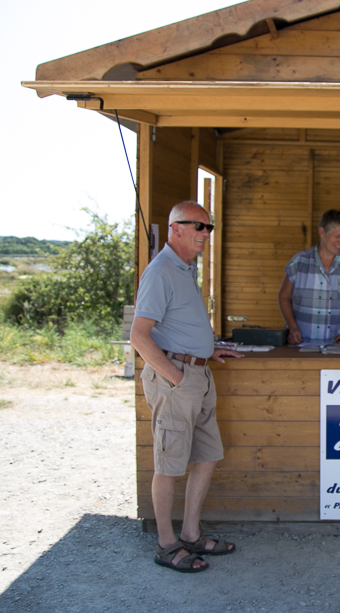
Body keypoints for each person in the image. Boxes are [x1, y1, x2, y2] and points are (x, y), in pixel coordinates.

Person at [130, 201, 244, 573]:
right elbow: (139, 336)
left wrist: (209, 348)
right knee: (169, 464)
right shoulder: (161, 270)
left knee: (207, 455)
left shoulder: (183, 269)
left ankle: (192, 535)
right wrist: (175, 376)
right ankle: (166, 544)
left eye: (208, 228)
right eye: (198, 226)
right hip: (178, 379)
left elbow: (178, 324)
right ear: (175, 228)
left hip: (199, 374)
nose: (205, 234)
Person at [278, 209, 340, 345]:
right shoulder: (299, 261)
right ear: (322, 232)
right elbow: (284, 296)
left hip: (337, 347)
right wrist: (292, 328)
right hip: (301, 344)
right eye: (337, 236)